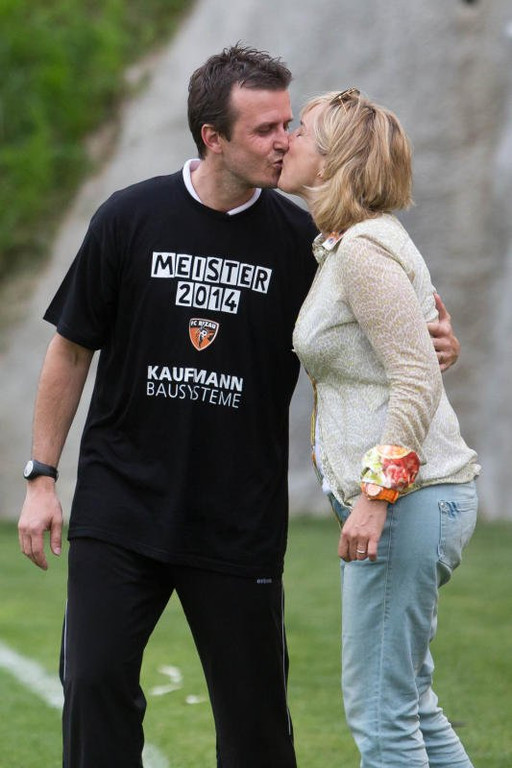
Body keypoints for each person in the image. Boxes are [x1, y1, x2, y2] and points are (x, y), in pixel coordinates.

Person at [17, 45, 459, 767]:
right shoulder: (129, 217)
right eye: (265, 129)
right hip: (121, 507)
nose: (284, 140)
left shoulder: (309, 242)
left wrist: (439, 341)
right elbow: (70, 350)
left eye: (289, 124)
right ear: (212, 137)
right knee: (93, 688)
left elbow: (392, 338)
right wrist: (41, 476)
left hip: (237, 518)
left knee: (256, 727)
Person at [278, 88, 480, 767]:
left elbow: (417, 378)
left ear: (333, 158)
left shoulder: (364, 248)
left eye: (301, 130)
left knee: (381, 715)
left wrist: (375, 494)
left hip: (406, 502)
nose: (286, 139)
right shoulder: (350, 245)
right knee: (410, 704)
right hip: (415, 501)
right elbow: (420, 354)